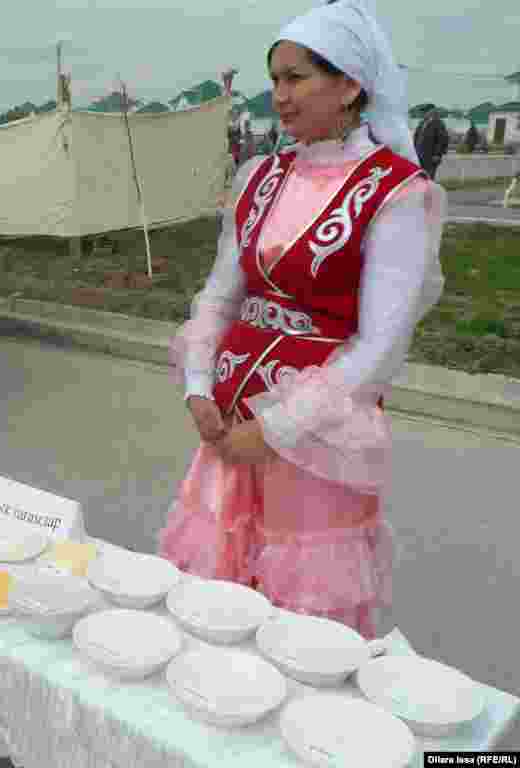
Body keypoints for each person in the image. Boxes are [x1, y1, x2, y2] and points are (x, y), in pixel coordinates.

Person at [159, 0, 446, 639]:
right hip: (229, 429)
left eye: (296, 78)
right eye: (275, 80)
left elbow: (379, 345)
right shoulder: (260, 176)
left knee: (302, 626)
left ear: (349, 84)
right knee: (218, 609)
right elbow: (218, 296)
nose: (279, 97)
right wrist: (198, 388)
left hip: (318, 443)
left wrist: (278, 429)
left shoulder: (396, 193)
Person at [413, 105, 449, 180]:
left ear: (432, 111)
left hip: (431, 157)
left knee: (429, 178)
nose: (423, 113)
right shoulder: (422, 123)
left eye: (425, 111)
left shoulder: (438, 123)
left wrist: (437, 154)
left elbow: (442, 140)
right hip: (419, 155)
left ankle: (429, 190)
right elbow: (416, 137)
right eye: (422, 112)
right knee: (420, 177)